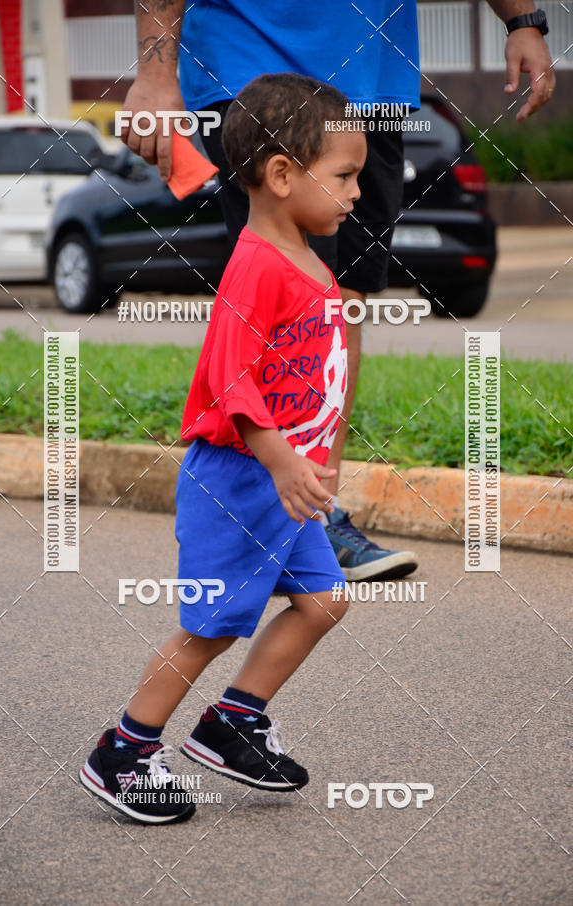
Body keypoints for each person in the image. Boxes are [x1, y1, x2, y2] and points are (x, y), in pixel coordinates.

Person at [121, 1, 554, 582]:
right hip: (253, 75)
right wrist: (155, 71)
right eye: (343, 184)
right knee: (283, 305)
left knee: (336, 315)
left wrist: (523, 19)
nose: (349, 192)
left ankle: (312, 519)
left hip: (376, 87)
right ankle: (268, 519)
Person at [80, 73, 367, 824]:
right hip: (240, 481)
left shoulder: (308, 261)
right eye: (345, 176)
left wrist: (318, 459)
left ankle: (233, 721)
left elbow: (318, 373)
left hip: (283, 484)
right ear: (280, 175)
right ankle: (124, 751)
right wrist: (280, 461)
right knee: (210, 625)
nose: (357, 193)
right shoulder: (257, 266)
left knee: (325, 598)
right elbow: (229, 382)